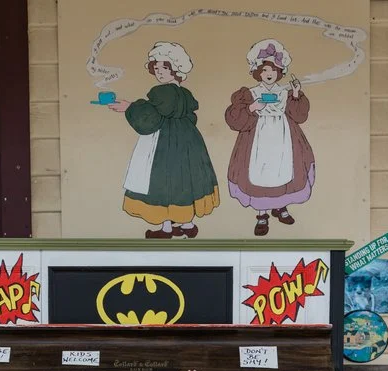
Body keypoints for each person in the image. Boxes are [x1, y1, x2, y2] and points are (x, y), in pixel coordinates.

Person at [108, 41, 220, 239]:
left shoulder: (163, 92)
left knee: (163, 179)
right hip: (188, 141)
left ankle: (167, 228)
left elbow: (151, 119)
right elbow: (190, 117)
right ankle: (187, 224)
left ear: (175, 69)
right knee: (185, 179)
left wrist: (130, 107)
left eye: (165, 68)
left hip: (165, 141)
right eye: (157, 68)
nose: (159, 72)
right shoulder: (185, 93)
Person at [225, 39, 316, 236]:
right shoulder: (249, 93)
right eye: (265, 70)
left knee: (284, 170)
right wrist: (252, 107)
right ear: (258, 72)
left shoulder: (285, 93)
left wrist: (296, 93)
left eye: (273, 70)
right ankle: (262, 214)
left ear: (279, 72)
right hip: (258, 139)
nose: (269, 74)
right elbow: (234, 118)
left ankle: (281, 207)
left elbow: (299, 116)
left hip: (284, 137)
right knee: (260, 173)